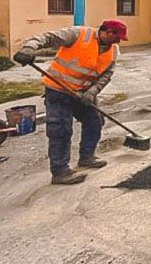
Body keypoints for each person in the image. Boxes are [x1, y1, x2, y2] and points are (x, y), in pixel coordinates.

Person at [12, 20, 127, 185]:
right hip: (59, 91)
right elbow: (48, 37)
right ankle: (60, 172)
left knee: (94, 121)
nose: (119, 41)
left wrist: (92, 92)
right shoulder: (78, 34)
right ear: (108, 32)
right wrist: (29, 48)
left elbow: (107, 74)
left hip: (82, 94)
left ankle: (87, 157)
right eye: (117, 37)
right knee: (60, 130)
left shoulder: (113, 50)